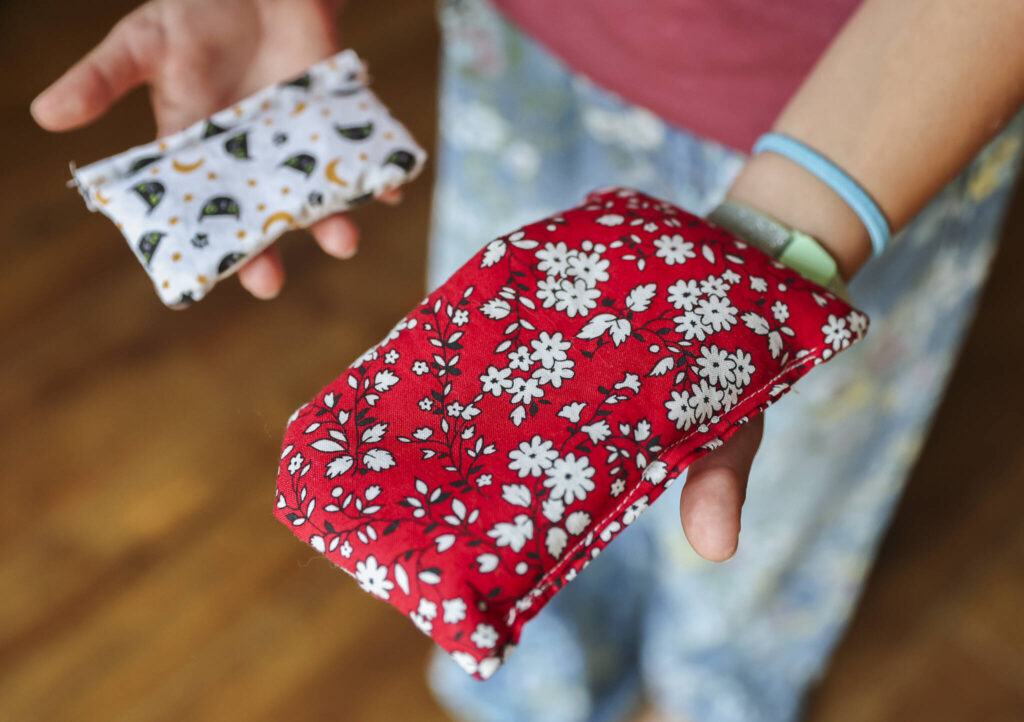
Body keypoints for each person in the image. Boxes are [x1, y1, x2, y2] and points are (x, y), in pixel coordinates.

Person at [31, 0, 1024, 720]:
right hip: (533, 52)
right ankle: (540, 696)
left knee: (774, 523)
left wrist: (767, 246)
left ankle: (715, 696)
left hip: (886, 135)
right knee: (514, 524)